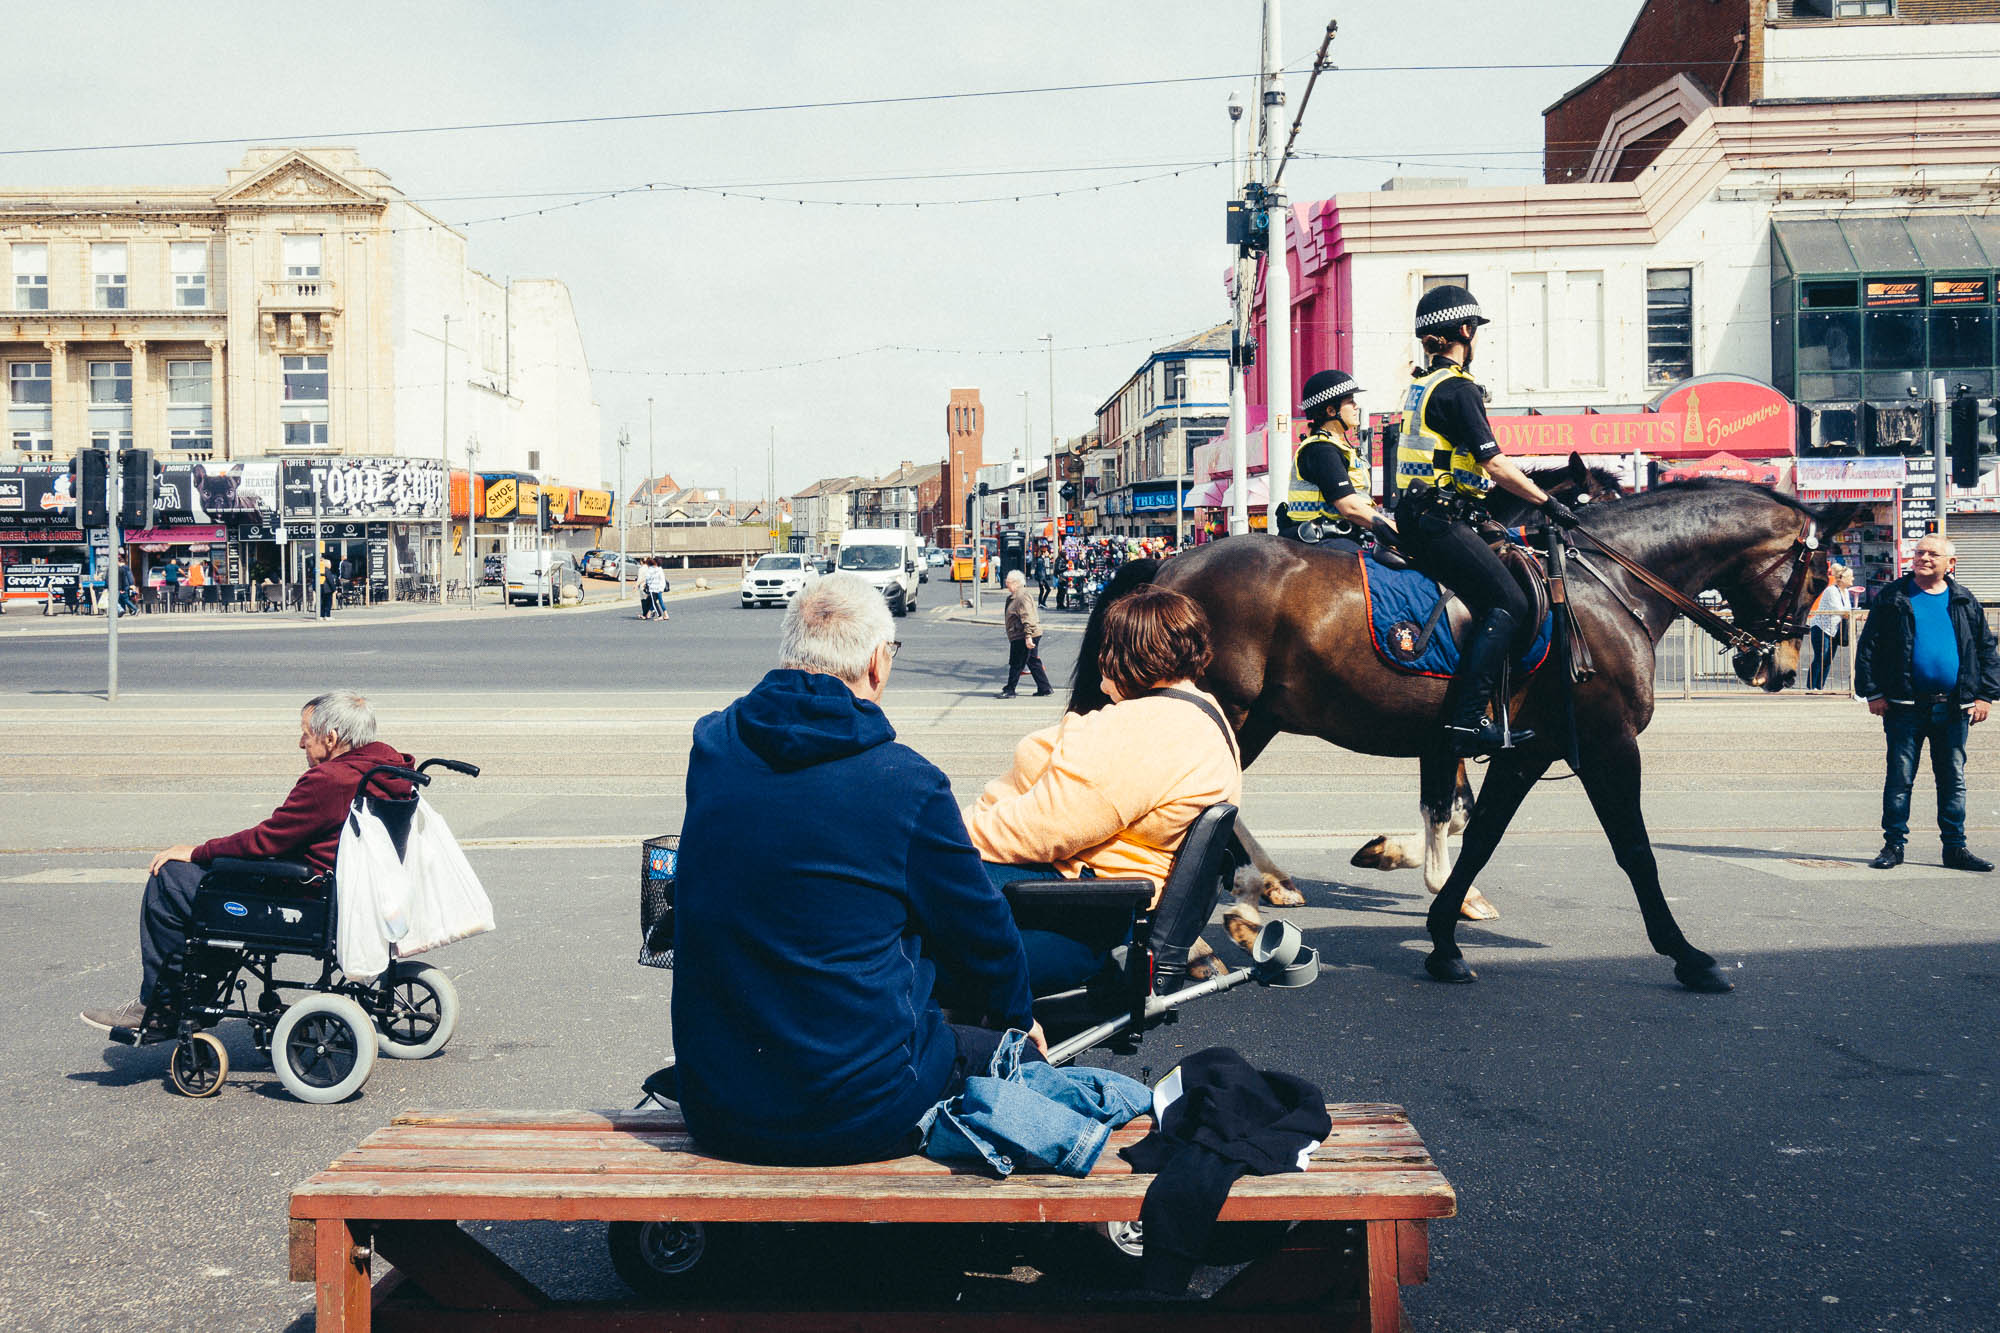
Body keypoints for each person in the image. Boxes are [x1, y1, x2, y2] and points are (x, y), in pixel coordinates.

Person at [672, 574, 1042, 1165]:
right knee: (1000, 1053)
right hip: (858, 1113)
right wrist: (1018, 1024)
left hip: (718, 1106)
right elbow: (981, 932)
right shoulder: (906, 781)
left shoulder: (713, 746)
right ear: (877, 663)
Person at [80, 691, 413, 1032]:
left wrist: (198, 851)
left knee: (170, 878)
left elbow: (264, 840)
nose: (301, 743)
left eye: (306, 734)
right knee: (216, 887)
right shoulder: (391, 771)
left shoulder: (329, 780)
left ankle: (162, 1004)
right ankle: (200, 991)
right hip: (355, 890)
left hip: (309, 896)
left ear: (330, 738)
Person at [968, 584, 1243, 993]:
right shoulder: (1200, 712)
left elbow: (1039, 830)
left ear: (1122, 656)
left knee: (905, 897)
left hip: (1077, 909)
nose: (1100, 674)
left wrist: (946, 837)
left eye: (1107, 652)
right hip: (1103, 900)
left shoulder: (1142, 730)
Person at [1393, 284, 1580, 758]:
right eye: (1475, 331)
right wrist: (1546, 502)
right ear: (1464, 331)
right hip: (1437, 518)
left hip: (1425, 511)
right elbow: (1495, 463)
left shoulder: (1421, 385)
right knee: (1510, 601)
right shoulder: (1458, 389)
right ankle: (1467, 721)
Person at [1854, 535, 2000, 871]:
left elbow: (1985, 650)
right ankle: (1893, 846)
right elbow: (1869, 648)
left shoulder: (1963, 599)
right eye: (1919, 552)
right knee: (1900, 777)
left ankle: (1955, 848)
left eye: (1933, 553)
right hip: (1904, 707)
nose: (1923, 558)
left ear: (1951, 563)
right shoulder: (1894, 596)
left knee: (1952, 778)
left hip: (1953, 708)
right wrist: (1873, 693)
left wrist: (1985, 695)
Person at [1279, 367, 1396, 553]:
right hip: (1323, 542)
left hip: (1339, 537)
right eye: (1350, 402)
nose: (1356, 407)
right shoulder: (1321, 451)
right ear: (1331, 410)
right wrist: (1391, 528)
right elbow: (1349, 507)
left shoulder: (1337, 446)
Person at [998, 569, 1052, 699]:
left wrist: (1028, 636)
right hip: (1024, 633)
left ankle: (1010, 689)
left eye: (1008, 582)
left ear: (1016, 583)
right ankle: (1045, 688)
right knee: (1033, 661)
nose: (1006, 585)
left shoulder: (1021, 596)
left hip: (1023, 635)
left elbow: (1027, 617)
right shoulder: (1016, 595)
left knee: (1017, 662)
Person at [1806, 563, 1855, 692]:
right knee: (1821, 656)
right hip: (1821, 627)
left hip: (1834, 629)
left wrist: (1849, 613)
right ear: (1842, 579)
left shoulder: (1846, 592)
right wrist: (1849, 613)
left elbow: (1847, 610)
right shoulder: (1831, 590)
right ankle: (1811, 686)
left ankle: (1819, 686)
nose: (1853, 579)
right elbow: (1839, 610)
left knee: (1828, 659)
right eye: (1851, 577)